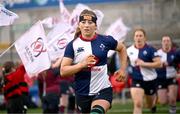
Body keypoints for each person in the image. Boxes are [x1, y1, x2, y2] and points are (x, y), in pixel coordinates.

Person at [60, 9, 127, 114]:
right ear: (79, 25)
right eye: (83, 22)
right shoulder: (72, 45)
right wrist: (82, 65)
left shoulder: (105, 40)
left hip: (103, 89)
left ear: (96, 26)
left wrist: (123, 69)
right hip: (82, 93)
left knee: (96, 112)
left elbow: (122, 48)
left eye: (90, 22)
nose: (86, 25)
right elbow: (63, 71)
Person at [127, 28, 162, 114]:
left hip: (150, 80)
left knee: (149, 105)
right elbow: (123, 60)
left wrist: (144, 64)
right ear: (134, 38)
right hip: (136, 79)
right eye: (136, 36)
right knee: (138, 104)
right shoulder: (129, 50)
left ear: (144, 38)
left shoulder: (151, 49)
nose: (138, 38)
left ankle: (153, 106)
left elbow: (159, 64)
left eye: (140, 36)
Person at [156, 36, 178, 114]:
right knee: (163, 102)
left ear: (170, 42)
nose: (166, 42)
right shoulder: (157, 53)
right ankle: (168, 96)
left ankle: (173, 110)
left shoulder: (175, 53)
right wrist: (159, 64)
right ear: (162, 43)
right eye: (164, 41)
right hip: (160, 79)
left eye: (168, 40)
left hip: (172, 77)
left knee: (172, 99)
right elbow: (153, 64)